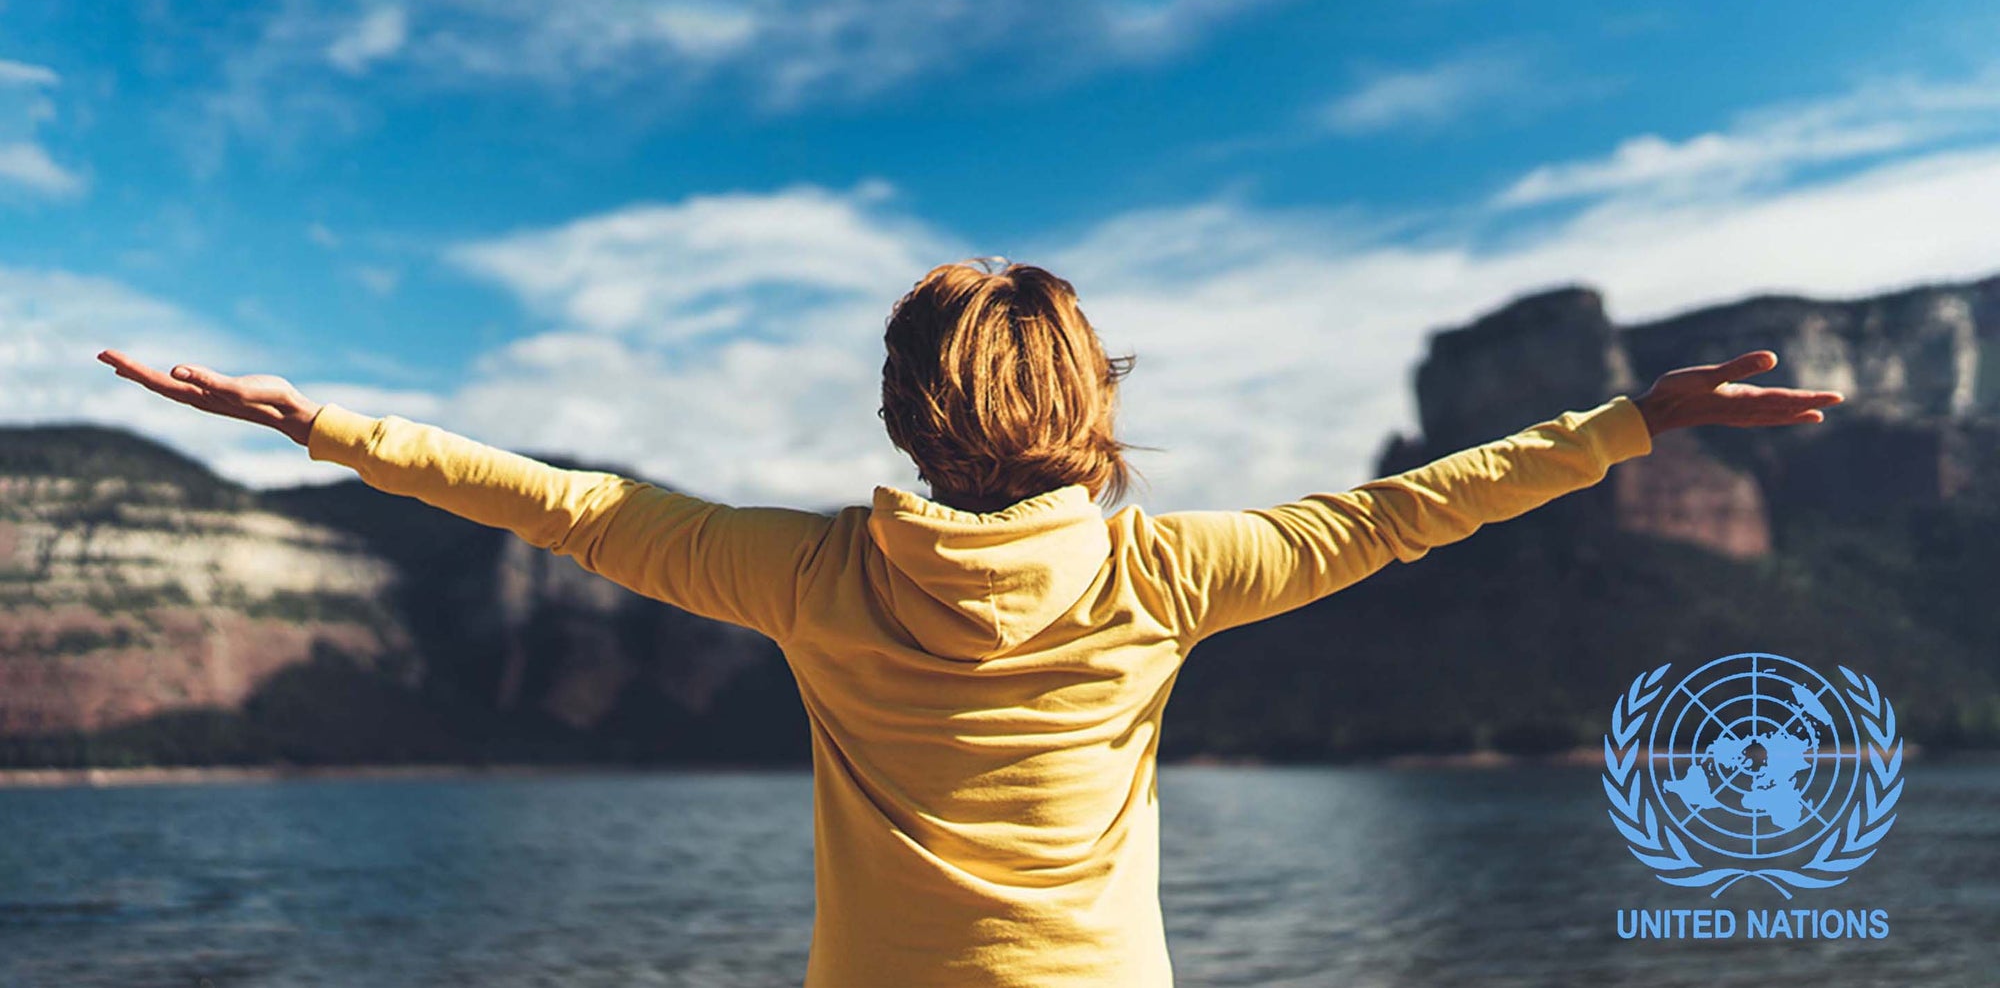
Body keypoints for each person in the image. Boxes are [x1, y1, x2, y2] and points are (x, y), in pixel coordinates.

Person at [97, 260, 1843, 986]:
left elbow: (546, 496)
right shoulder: (1174, 572)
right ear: (1088, 399)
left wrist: (315, 423)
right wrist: (1632, 422)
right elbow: (1413, 509)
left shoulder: (800, 575)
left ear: (902, 413)